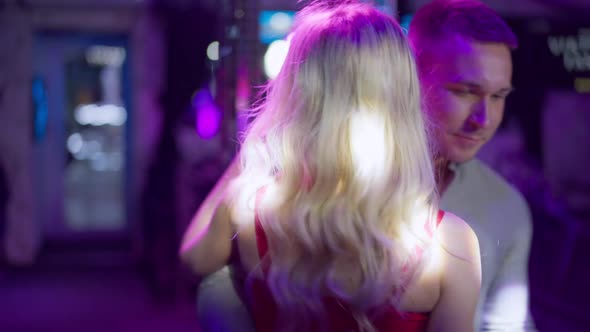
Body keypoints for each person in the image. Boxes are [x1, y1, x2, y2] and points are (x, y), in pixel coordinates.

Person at [180, 1, 481, 331]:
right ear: (404, 103)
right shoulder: (449, 247)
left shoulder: (248, 212)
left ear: (296, 97)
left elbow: (194, 258)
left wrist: (252, 151)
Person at [408, 0, 535, 330]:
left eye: (498, 96)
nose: (485, 119)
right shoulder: (349, 182)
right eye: (466, 91)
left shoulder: (506, 206)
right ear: (411, 79)